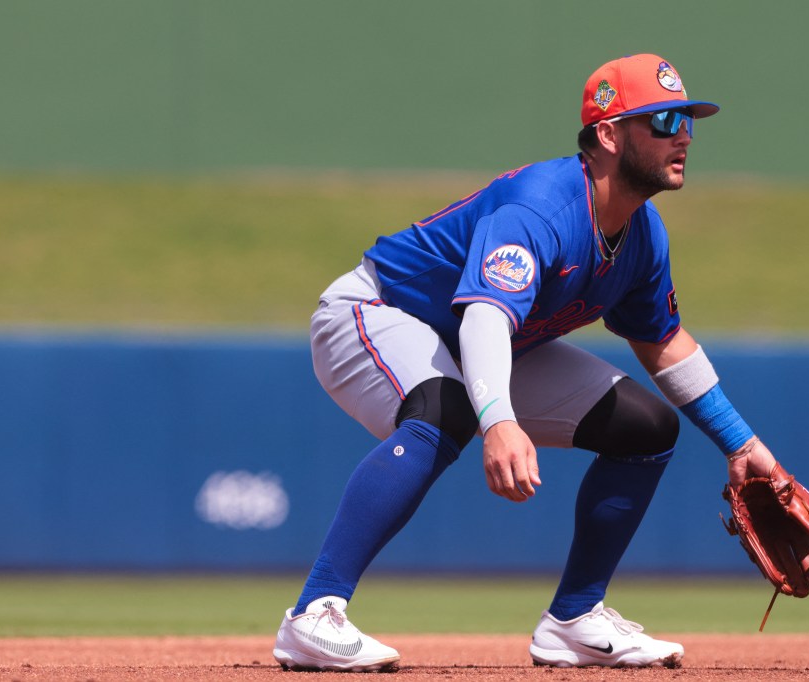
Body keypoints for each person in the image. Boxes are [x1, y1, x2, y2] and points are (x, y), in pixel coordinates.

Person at [273, 53, 779, 671]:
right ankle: (313, 614)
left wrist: (740, 442)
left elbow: (662, 341)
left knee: (646, 429)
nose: (684, 136)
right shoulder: (542, 206)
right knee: (449, 409)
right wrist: (501, 420)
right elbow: (484, 316)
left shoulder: (643, 235)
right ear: (609, 133)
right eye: (664, 118)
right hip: (376, 312)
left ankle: (574, 618)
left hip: (481, 343)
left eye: (689, 121)